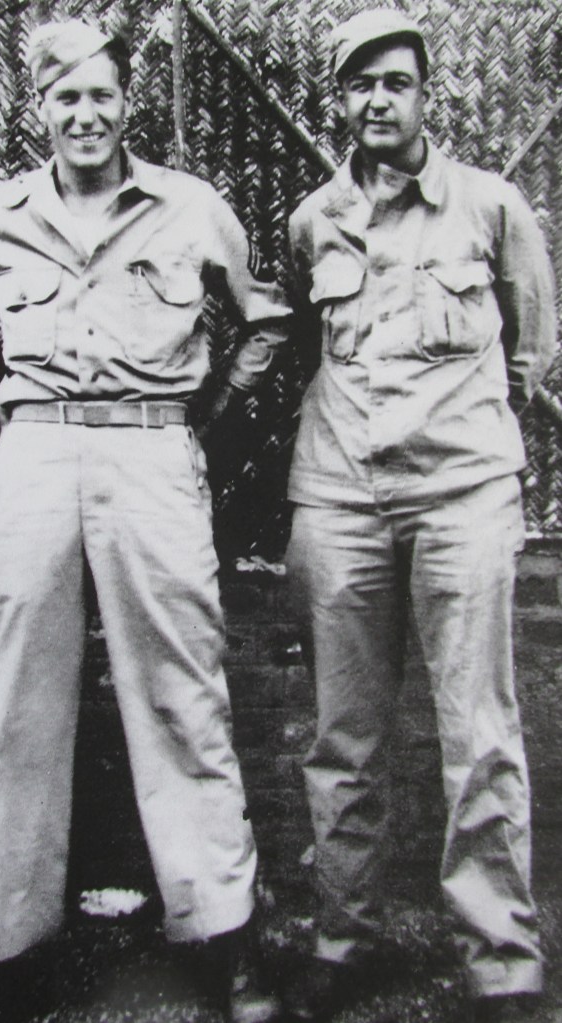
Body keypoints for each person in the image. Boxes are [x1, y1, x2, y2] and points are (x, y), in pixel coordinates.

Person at [0, 19, 290, 1023]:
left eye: (100, 96)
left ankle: (224, 932)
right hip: (38, 457)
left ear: (125, 101)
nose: (84, 115)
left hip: (152, 456)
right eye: (65, 99)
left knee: (185, 690)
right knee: (12, 701)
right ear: (38, 108)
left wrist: (201, 417)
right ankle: (7, 947)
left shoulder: (190, 208)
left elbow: (261, 319)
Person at [283, 9, 557, 1023]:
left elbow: (532, 350)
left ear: (424, 91)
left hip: (463, 500)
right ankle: (343, 940)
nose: (378, 101)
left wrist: (469, 438)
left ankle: (499, 955)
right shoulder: (315, 220)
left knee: (479, 731)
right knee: (343, 736)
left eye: (395, 82)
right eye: (359, 86)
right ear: (341, 101)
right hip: (340, 499)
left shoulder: (491, 208)